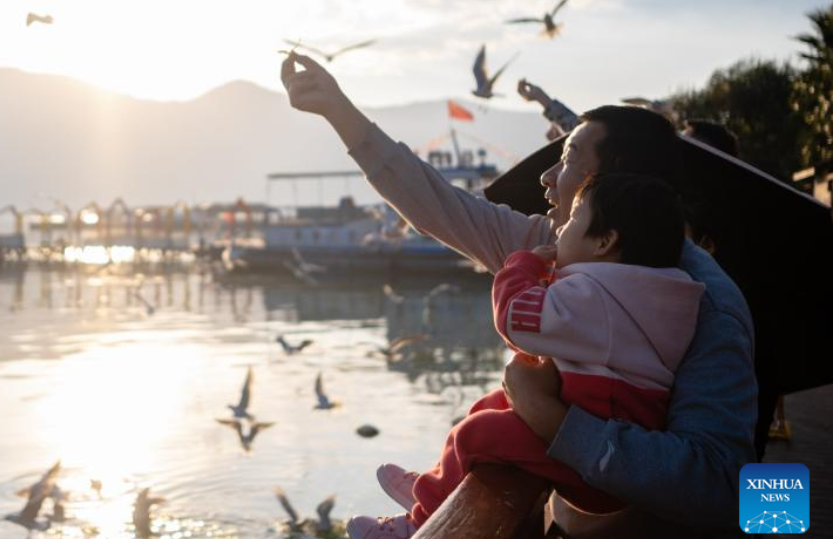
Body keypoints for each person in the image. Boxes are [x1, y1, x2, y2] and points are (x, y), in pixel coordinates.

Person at [279, 52, 757, 534]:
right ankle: (432, 491)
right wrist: (338, 110)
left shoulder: (707, 304)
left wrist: (547, 416)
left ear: (613, 186)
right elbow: (438, 207)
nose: (547, 177)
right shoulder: (553, 245)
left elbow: (720, 484)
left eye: (567, 161)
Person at [347, 173, 704, 539]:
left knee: (477, 431)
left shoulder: (596, 296)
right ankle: (440, 483)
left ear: (604, 242)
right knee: (490, 404)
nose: (561, 227)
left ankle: (421, 518)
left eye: (575, 217)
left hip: (595, 467)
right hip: (607, 449)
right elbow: (546, 344)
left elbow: (515, 318)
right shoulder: (649, 296)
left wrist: (522, 267)